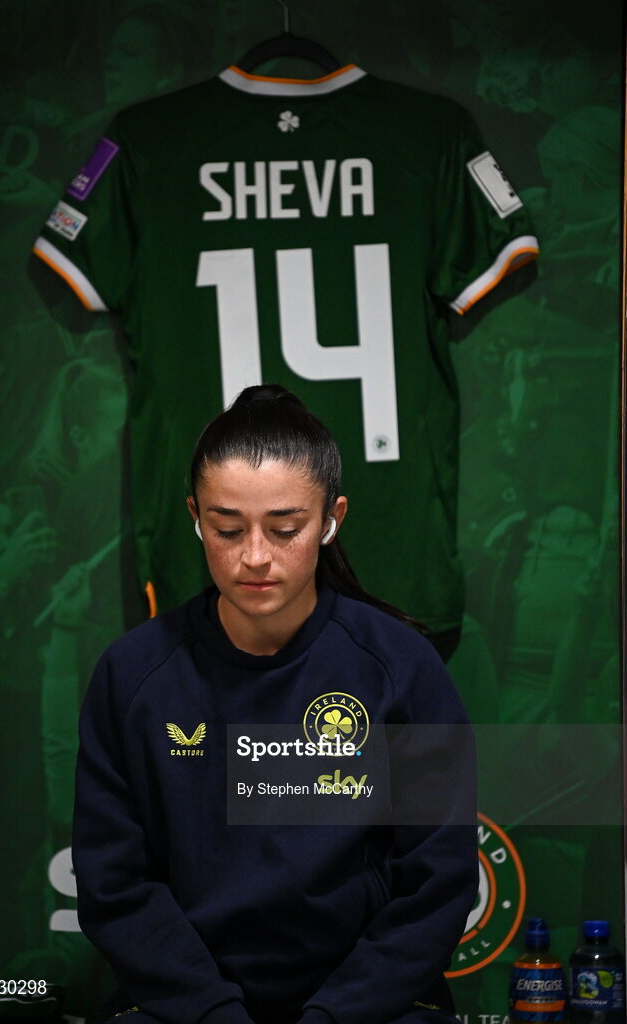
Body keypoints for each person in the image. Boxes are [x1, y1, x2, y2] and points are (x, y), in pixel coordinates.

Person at [72, 384, 478, 1024]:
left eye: (285, 528)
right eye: (227, 528)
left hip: (369, 1004)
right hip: (186, 1005)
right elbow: (114, 888)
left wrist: (332, 1016)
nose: (254, 556)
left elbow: (438, 883)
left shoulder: (402, 670)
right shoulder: (133, 676)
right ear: (195, 517)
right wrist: (212, 1014)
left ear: (331, 519)